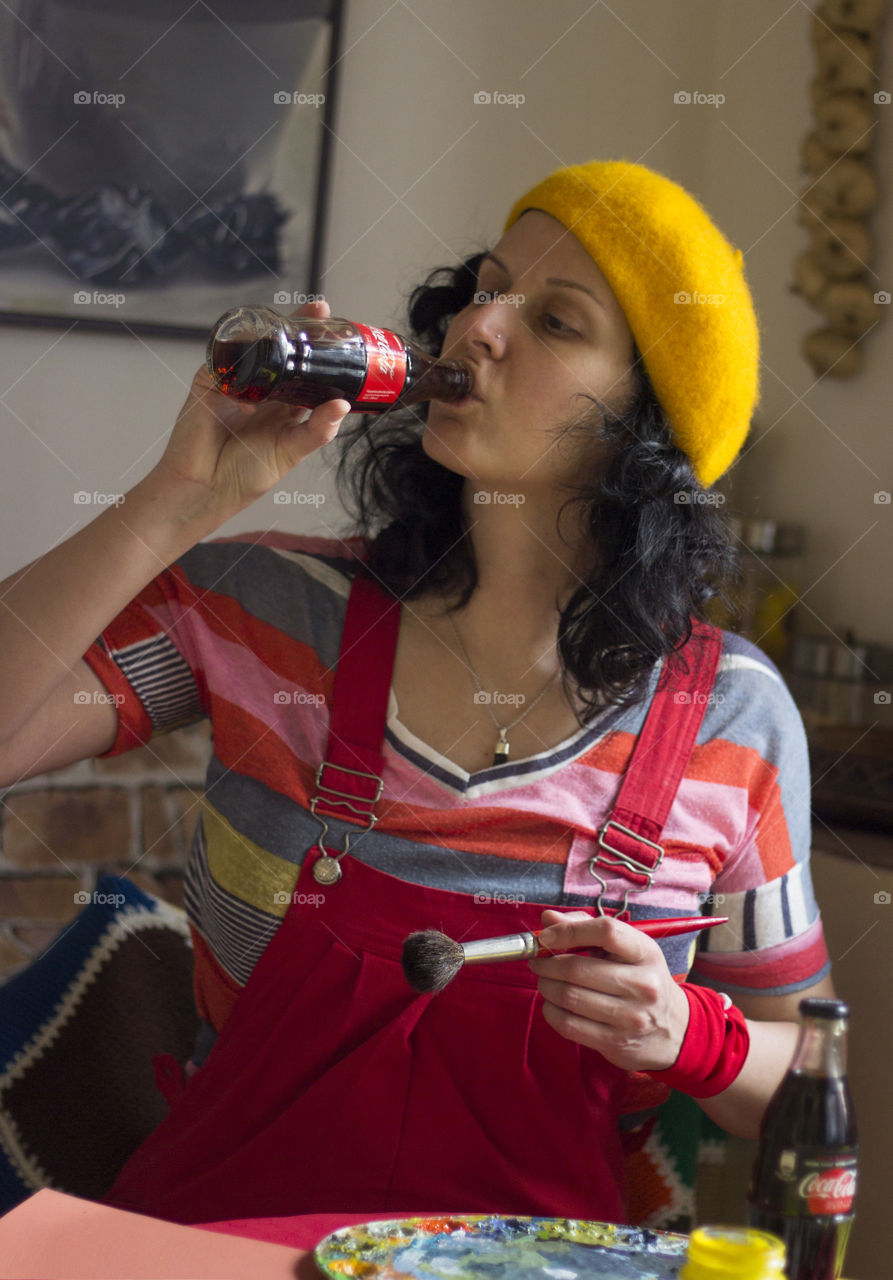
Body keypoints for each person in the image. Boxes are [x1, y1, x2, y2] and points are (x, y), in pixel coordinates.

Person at [0, 159, 834, 1227]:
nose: (479, 327)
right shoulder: (267, 606)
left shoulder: (728, 714)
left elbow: (808, 1078)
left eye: (556, 320)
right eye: (485, 288)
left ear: (641, 432)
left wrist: (683, 1030)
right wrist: (175, 502)